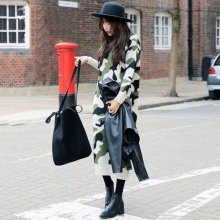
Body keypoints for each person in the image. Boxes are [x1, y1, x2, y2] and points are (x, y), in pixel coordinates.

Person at [75, 2, 143, 219]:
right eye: (103, 22)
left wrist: (119, 100)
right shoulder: (108, 42)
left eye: (110, 22)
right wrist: (89, 60)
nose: (106, 26)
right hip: (101, 103)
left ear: (120, 23)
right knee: (100, 149)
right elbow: (108, 69)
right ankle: (109, 191)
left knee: (120, 149)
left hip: (121, 105)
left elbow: (129, 73)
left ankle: (117, 198)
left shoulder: (132, 42)